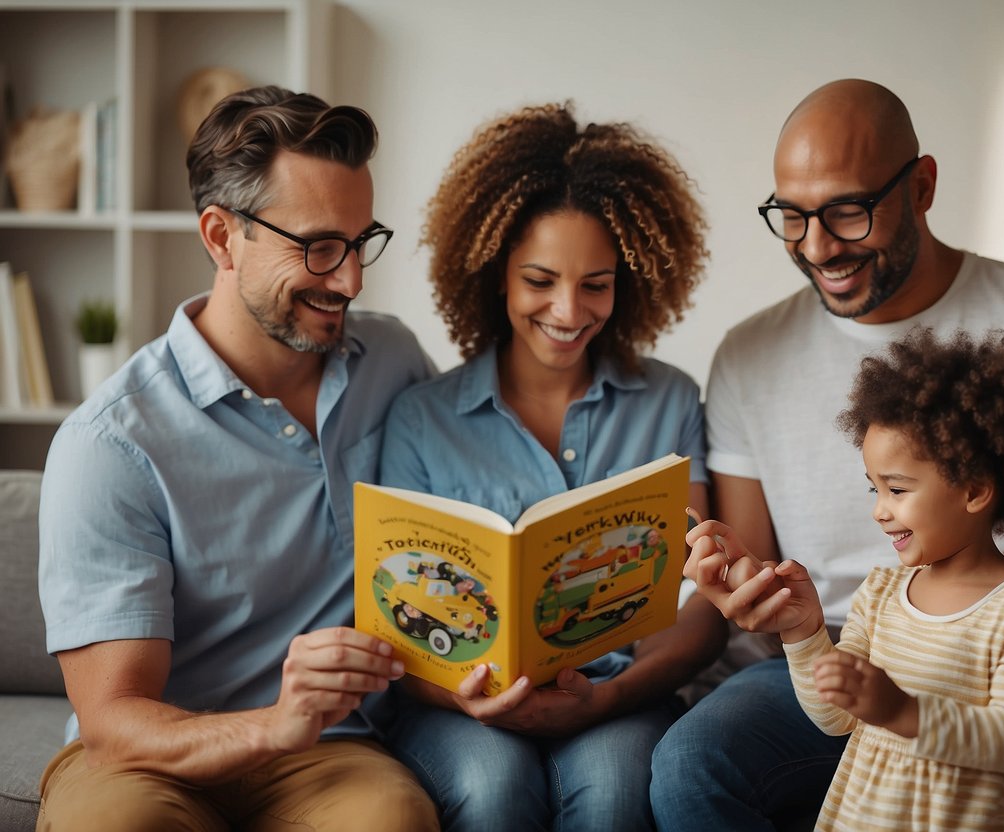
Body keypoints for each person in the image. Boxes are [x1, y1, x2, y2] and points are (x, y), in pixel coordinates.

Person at [651, 78, 1004, 832]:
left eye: (847, 212)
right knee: (691, 762)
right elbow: (758, 593)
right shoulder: (748, 356)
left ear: (920, 186)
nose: (817, 247)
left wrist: (963, 658)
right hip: (844, 653)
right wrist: (751, 594)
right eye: (791, 217)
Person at [36, 86, 439, 831]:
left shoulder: (395, 362)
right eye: (318, 246)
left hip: (330, 752)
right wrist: (272, 723)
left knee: (391, 819)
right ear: (221, 237)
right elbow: (114, 721)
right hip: (150, 759)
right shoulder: (111, 443)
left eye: (359, 242)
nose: (349, 280)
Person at [379, 101, 728, 831]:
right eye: (539, 280)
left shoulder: (668, 401)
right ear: (493, 274)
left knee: (615, 788)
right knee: (492, 787)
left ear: (626, 283)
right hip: (458, 705)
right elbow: (395, 620)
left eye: (595, 284)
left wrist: (606, 697)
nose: (568, 311)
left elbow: (696, 604)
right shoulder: (422, 418)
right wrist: (466, 698)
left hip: (618, 694)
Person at [687, 327, 1004, 830]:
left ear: (976, 491)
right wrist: (802, 629)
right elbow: (836, 718)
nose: (879, 511)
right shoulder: (880, 593)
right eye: (874, 488)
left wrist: (905, 713)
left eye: (897, 490)